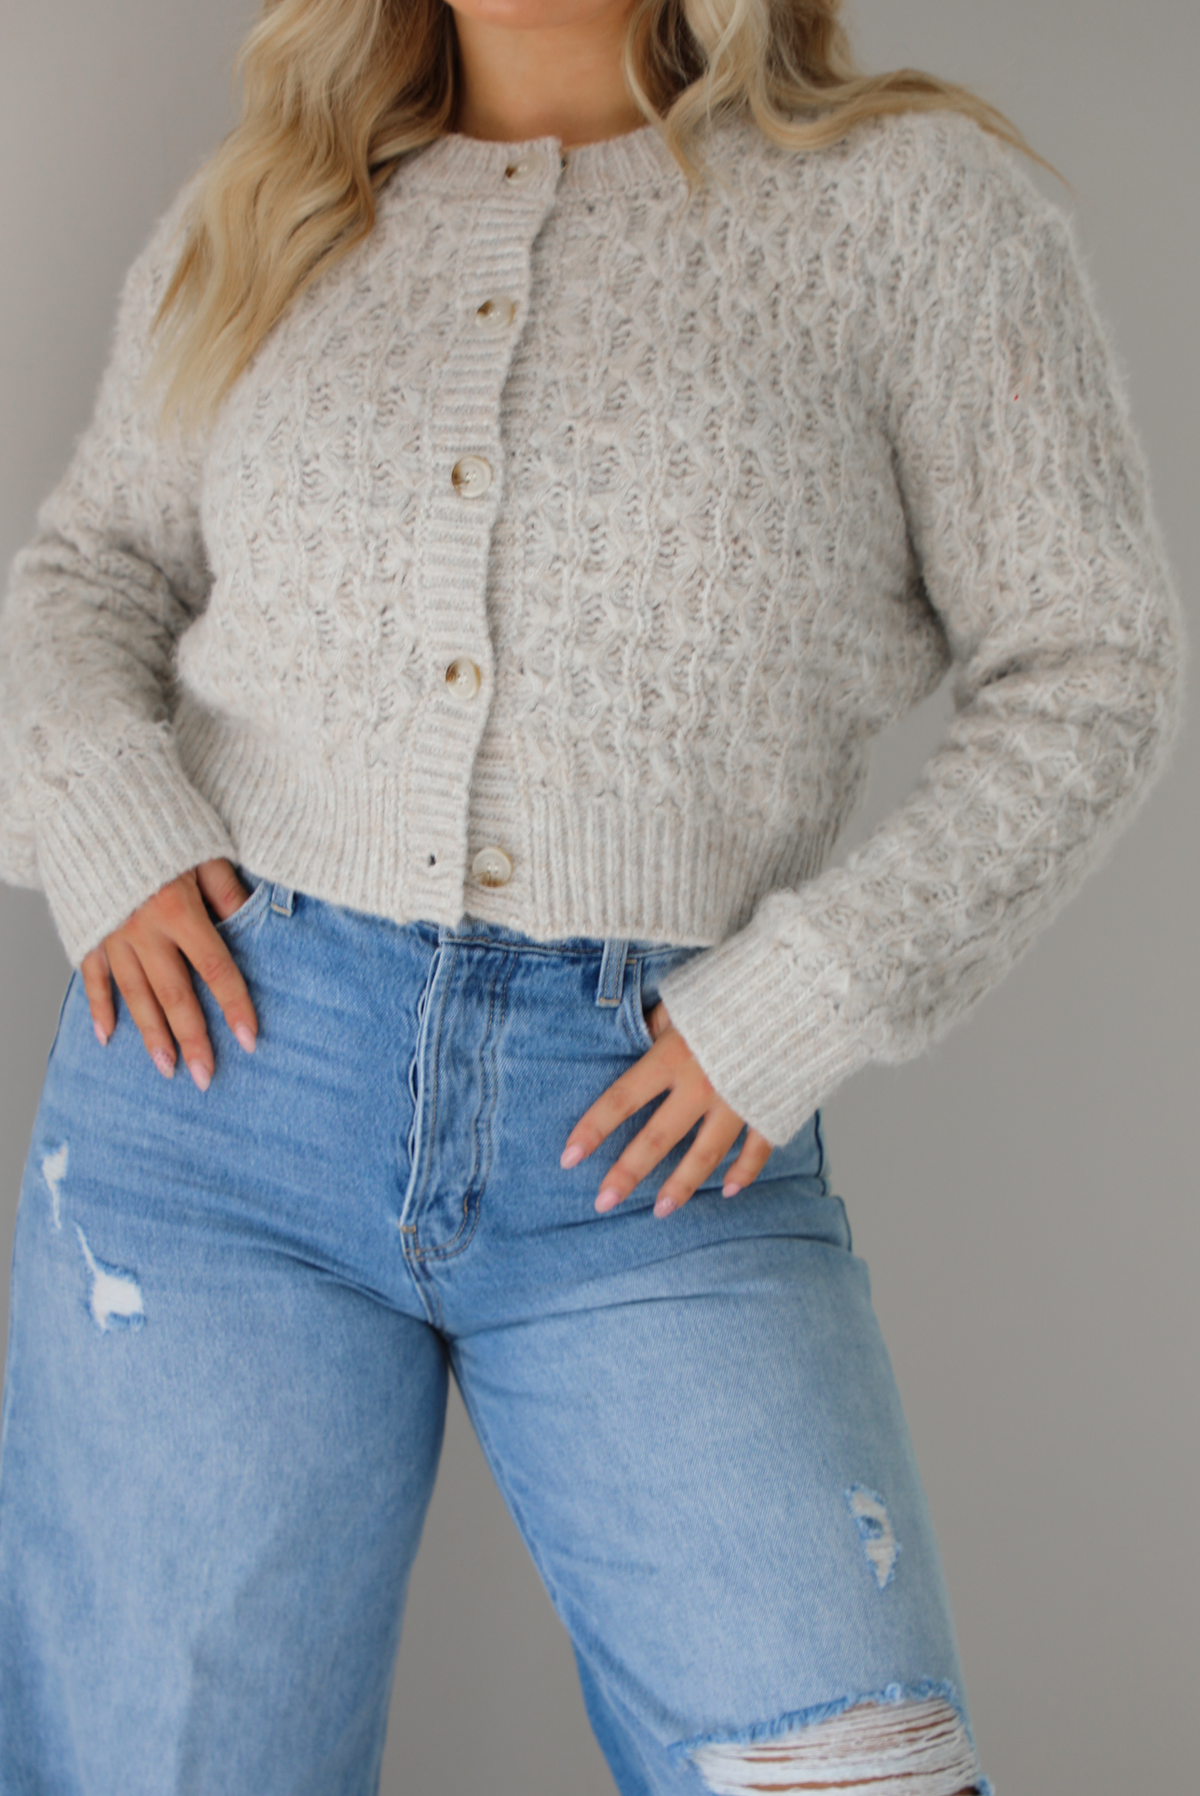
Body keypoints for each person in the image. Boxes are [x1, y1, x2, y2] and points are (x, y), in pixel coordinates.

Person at [0, 0, 1185, 1790]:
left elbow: (1094, 660)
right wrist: (103, 822)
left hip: (651, 1130)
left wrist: (808, 998)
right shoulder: (271, 211)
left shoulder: (917, 207)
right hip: (216, 1104)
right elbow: (87, 573)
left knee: (853, 1764)